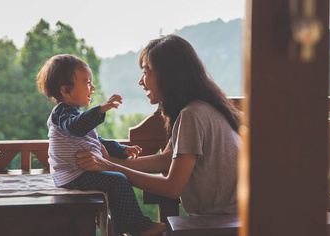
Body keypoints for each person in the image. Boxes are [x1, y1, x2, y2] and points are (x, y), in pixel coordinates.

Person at [76, 35, 241, 216]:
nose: (141, 81)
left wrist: (109, 167)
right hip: (235, 218)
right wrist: (109, 161)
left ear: (169, 74)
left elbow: (172, 188)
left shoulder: (191, 115)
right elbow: (166, 160)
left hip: (224, 223)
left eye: (146, 71)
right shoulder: (201, 108)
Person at [36, 54, 166, 236]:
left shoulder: (74, 113)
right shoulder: (62, 114)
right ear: (66, 91)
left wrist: (122, 149)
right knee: (119, 180)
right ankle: (138, 228)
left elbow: (96, 141)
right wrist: (100, 109)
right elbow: (77, 127)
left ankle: (124, 230)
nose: (93, 87)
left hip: (80, 172)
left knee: (117, 181)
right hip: (73, 176)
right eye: (87, 82)